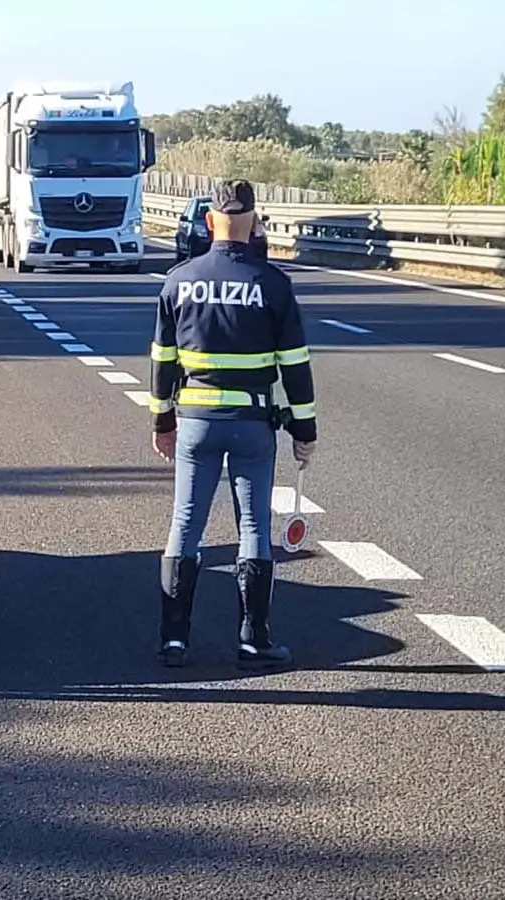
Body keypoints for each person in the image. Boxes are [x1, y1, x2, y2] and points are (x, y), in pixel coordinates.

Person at [147, 178, 317, 670]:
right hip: (253, 424)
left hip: (196, 420)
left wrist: (162, 420)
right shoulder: (273, 285)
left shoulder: (179, 281)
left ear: (209, 221)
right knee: (253, 528)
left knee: (185, 524)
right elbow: (296, 367)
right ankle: (252, 638)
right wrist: (304, 433)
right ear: (255, 222)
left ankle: (174, 640)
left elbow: (162, 361)